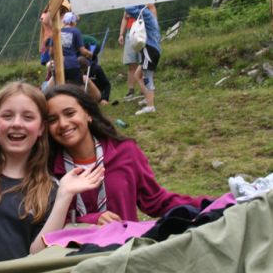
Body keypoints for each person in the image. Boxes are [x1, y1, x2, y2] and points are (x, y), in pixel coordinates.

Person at [0, 82, 104, 264]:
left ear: (41, 128)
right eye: (7, 116)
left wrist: (64, 196)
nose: (17, 124)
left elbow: (37, 254)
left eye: (28, 117)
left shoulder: (49, 189)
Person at [45, 84, 212, 224]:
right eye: (53, 120)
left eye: (70, 113)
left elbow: (155, 200)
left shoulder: (125, 152)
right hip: (73, 252)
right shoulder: (47, 168)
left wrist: (209, 204)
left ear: (88, 114)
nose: (63, 124)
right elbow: (46, 225)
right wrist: (91, 220)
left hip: (125, 249)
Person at [124, 5, 161, 115]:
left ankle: (150, 106)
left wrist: (135, 1)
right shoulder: (150, 16)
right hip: (153, 50)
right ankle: (147, 98)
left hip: (149, 51)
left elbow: (129, 8)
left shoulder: (146, 14)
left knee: (147, 77)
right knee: (137, 75)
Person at [118, 3, 157, 101]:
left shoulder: (146, 0)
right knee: (131, 63)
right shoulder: (128, 2)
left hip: (143, 29)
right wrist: (121, 34)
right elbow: (125, 18)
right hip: (130, 31)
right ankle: (131, 90)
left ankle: (146, 91)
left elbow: (153, 11)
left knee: (144, 62)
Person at [51, 11, 92, 86]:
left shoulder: (56, 32)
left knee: (59, 89)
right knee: (77, 88)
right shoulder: (76, 31)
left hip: (58, 66)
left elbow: (51, 51)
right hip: (72, 65)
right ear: (73, 22)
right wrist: (90, 54)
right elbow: (82, 51)